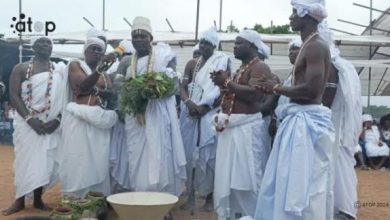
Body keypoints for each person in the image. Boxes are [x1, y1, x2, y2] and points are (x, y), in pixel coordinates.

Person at [254, 0, 335, 219]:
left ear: (306, 16)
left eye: (293, 13)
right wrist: (272, 87)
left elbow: (312, 90)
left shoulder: (317, 46)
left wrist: (277, 88)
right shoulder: (308, 44)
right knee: (286, 179)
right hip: (297, 120)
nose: (290, 18)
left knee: (302, 184)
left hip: (306, 124)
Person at [119, 16, 187, 199]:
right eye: (135, 36)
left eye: (143, 35)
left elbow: (174, 86)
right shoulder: (127, 62)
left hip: (157, 114)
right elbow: (122, 89)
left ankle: (161, 201)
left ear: (151, 38)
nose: (139, 39)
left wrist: (153, 91)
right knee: (136, 158)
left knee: (160, 156)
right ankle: (140, 199)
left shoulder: (164, 56)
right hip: (136, 118)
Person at [211, 29, 275, 219]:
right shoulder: (242, 68)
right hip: (232, 129)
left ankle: (254, 215)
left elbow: (254, 94)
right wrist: (221, 83)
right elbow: (235, 94)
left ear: (252, 46)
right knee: (231, 179)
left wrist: (227, 82)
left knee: (249, 179)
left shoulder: (260, 67)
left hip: (247, 130)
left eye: (239, 43)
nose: (235, 46)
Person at [2, 36, 65, 216]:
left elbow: (65, 97)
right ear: (33, 47)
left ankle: (38, 200)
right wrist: (30, 120)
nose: (46, 45)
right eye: (42, 43)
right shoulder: (20, 68)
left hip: (50, 124)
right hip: (27, 124)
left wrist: (57, 120)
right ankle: (19, 200)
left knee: (44, 162)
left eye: (49, 43)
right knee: (24, 161)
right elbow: (14, 95)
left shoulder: (59, 70)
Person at [179, 27, 231, 212]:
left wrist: (205, 108)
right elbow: (182, 86)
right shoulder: (191, 64)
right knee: (189, 156)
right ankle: (191, 196)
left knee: (209, 157)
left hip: (209, 114)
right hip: (189, 114)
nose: (203, 46)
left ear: (214, 46)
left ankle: (209, 197)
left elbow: (223, 90)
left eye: (208, 43)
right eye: (202, 42)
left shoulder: (222, 62)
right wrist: (189, 102)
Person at [59, 37, 118, 197]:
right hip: (80, 121)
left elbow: (111, 94)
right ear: (85, 51)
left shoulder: (105, 75)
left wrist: (98, 90)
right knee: (80, 160)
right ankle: (77, 199)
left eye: (100, 50)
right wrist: (100, 70)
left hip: (100, 122)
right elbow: (82, 87)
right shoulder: (75, 65)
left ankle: (97, 199)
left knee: (99, 161)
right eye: (93, 48)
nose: (97, 52)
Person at [318, 21, 362, 220]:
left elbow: (327, 98)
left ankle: (343, 210)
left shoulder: (333, 66)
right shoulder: (345, 66)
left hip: (333, 124)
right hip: (340, 126)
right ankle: (342, 208)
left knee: (336, 164)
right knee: (341, 165)